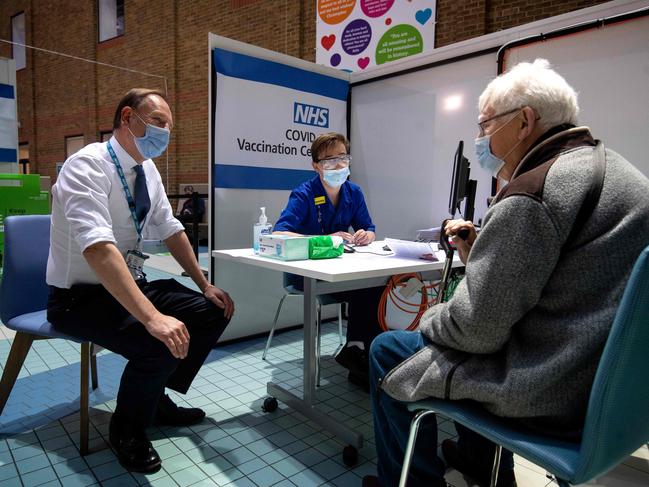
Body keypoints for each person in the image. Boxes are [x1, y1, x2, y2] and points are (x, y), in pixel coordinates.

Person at [363, 59, 649, 487]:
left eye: (484, 126)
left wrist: (432, 316)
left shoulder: (533, 193)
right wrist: (482, 250)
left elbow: (476, 330)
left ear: (524, 121)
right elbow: (565, 275)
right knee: (468, 349)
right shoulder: (623, 174)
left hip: (548, 388)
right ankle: (482, 467)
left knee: (389, 347)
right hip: (613, 393)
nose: (480, 139)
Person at [46, 88, 235, 473]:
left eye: (170, 126)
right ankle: (127, 429)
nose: (165, 133)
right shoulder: (85, 166)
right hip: (78, 298)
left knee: (213, 310)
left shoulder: (146, 169)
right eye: (159, 122)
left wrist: (204, 284)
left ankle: (153, 398)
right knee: (159, 341)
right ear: (129, 117)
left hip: (131, 284)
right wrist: (152, 317)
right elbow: (98, 248)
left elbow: (171, 228)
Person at [274, 132, 383, 389]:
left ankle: (360, 351)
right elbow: (279, 232)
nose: (338, 165)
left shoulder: (353, 192)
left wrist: (366, 234)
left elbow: (369, 227)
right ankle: (358, 354)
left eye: (342, 157)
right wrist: (326, 239)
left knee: (377, 284)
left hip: (339, 271)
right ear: (315, 165)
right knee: (365, 289)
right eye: (329, 160)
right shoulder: (304, 193)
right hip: (306, 275)